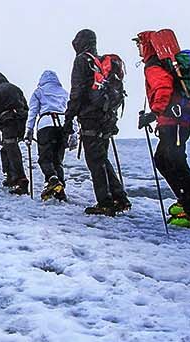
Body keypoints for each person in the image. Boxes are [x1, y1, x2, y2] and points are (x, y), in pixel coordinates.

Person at [136, 33, 190, 229]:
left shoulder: (154, 66)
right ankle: (186, 201)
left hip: (173, 122)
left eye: (140, 45)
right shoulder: (165, 63)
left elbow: (163, 88)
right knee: (167, 160)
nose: (139, 49)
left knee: (173, 161)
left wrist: (154, 113)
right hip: (177, 121)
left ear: (147, 46)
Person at [66, 29, 131, 216]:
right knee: (101, 158)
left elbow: (77, 92)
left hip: (91, 117)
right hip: (107, 116)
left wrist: (69, 116)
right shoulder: (101, 62)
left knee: (95, 160)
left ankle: (106, 202)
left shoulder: (82, 61)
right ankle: (119, 197)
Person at [0, 72, 31, 195]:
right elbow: (26, 107)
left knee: (11, 148)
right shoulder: (15, 88)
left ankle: (21, 179)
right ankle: (11, 177)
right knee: (7, 147)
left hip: (8, 120)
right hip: (20, 119)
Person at [27, 70, 72, 201]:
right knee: (58, 160)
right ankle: (60, 191)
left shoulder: (39, 91)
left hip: (45, 125)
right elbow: (70, 113)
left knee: (45, 158)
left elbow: (33, 112)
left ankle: (52, 179)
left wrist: (29, 130)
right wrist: (73, 132)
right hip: (62, 125)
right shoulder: (64, 93)